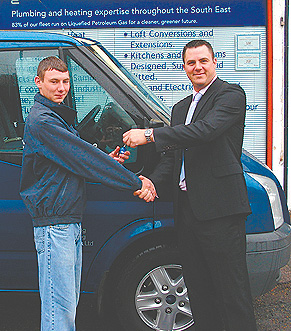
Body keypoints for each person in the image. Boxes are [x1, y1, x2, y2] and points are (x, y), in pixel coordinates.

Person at [123, 40, 257, 331]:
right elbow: (175, 157)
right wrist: (154, 182)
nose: (197, 67)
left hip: (220, 211)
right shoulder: (180, 107)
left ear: (214, 63)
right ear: (184, 68)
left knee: (231, 293)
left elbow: (205, 131)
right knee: (199, 292)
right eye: (190, 63)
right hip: (188, 212)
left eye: (203, 61)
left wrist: (149, 134)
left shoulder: (230, 95)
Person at [19, 56, 153, 331]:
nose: (61, 87)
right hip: (56, 225)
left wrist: (108, 161)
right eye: (54, 81)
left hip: (66, 221)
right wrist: (135, 181)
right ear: (38, 82)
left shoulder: (55, 117)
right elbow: (83, 157)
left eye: (65, 81)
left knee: (66, 305)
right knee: (60, 309)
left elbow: (75, 160)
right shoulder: (44, 121)